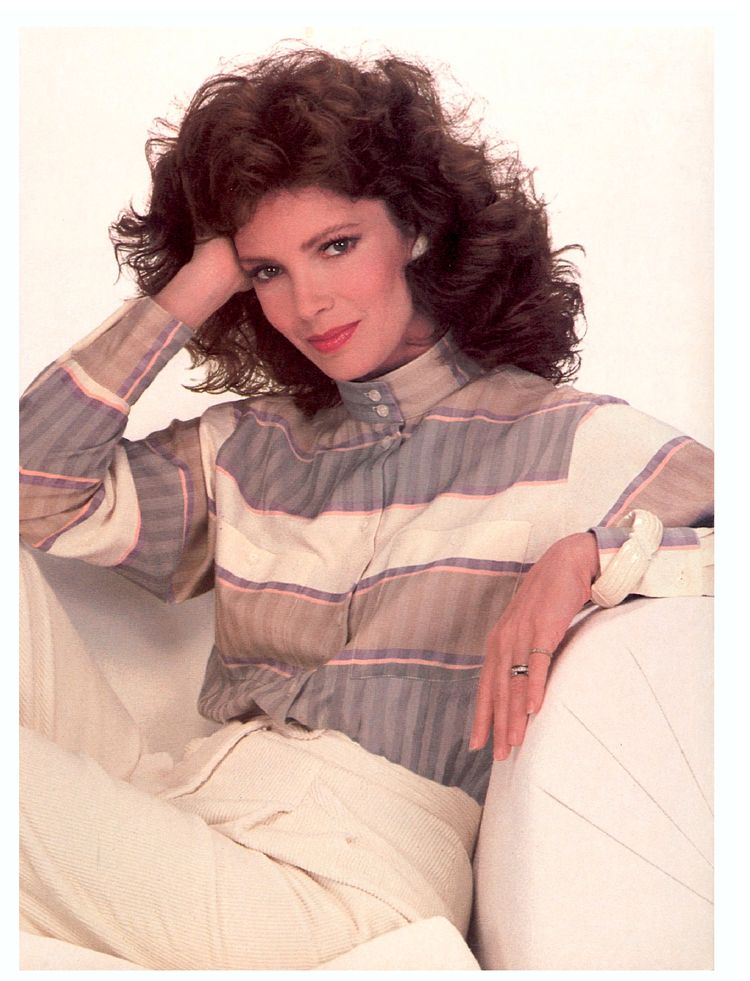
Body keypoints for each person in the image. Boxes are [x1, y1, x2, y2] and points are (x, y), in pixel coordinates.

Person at [19, 46, 713, 970]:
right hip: (180, 800)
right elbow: (32, 489)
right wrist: (199, 279)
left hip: (344, 876)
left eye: (336, 246)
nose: (308, 302)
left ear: (416, 229)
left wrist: (588, 555)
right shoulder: (250, 447)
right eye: (269, 270)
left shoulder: (564, 438)